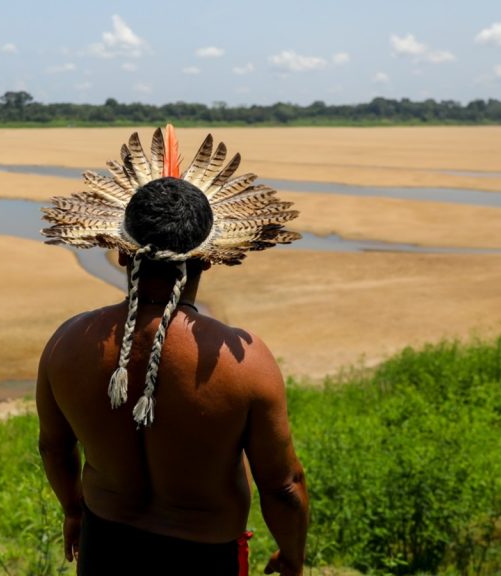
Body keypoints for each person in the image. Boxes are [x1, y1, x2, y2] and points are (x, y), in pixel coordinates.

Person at [37, 126, 309, 575]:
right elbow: (282, 486)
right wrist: (292, 557)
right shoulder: (245, 363)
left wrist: (73, 511)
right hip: (202, 557)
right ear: (209, 257)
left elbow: (53, 448)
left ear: (122, 254)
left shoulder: (68, 343)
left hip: (106, 544)